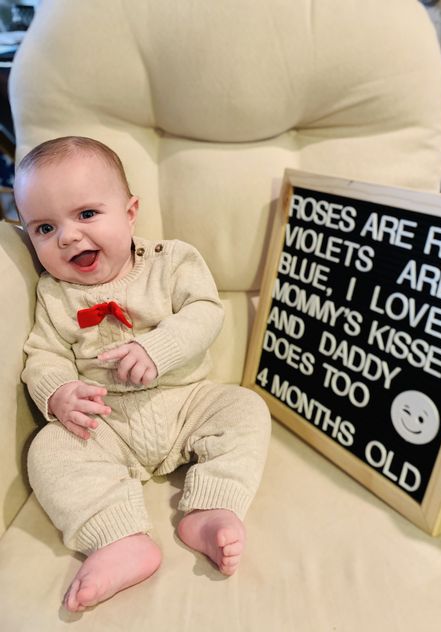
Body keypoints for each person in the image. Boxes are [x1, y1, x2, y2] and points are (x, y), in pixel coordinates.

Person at [14, 136, 271, 613]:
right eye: (45, 228)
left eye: (87, 214)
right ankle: (119, 539)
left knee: (245, 408)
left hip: (186, 403)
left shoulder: (171, 262)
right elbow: (42, 356)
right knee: (47, 450)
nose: (67, 237)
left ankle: (211, 507)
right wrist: (59, 392)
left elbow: (206, 312)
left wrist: (159, 347)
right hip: (105, 424)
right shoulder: (54, 295)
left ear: (130, 212)